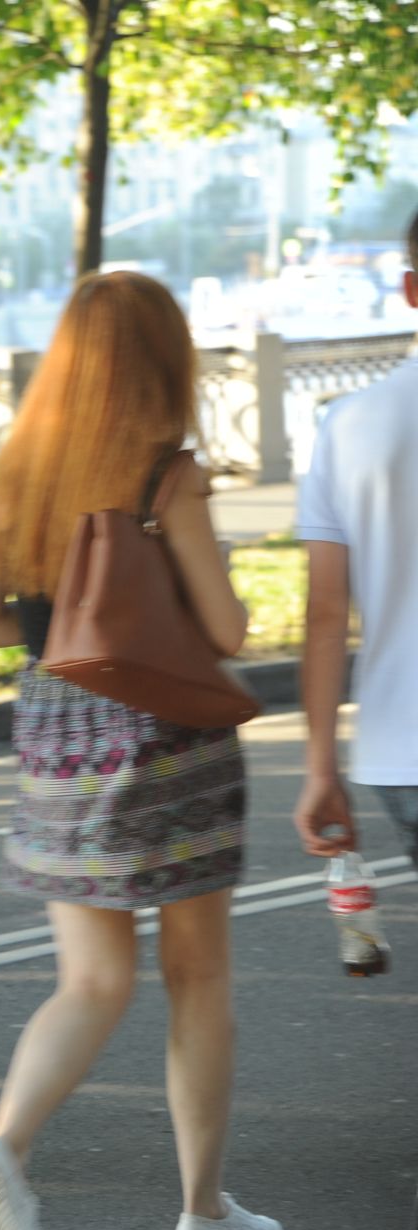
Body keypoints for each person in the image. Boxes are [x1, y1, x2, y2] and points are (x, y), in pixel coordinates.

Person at [0, 271, 282, 1230]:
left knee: (91, 980)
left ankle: (4, 1149)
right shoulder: (165, 474)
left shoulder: (15, 472)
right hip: (170, 734)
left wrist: (69, 638)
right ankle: (202, 1209)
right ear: (163, 360)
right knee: (198, 974)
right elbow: (226, 629)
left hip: (55, 735)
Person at [293, 207, 418, 872]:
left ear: (411, 289)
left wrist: (321, 768)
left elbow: (325, 615)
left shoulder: (348, 425)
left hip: (402, 746)